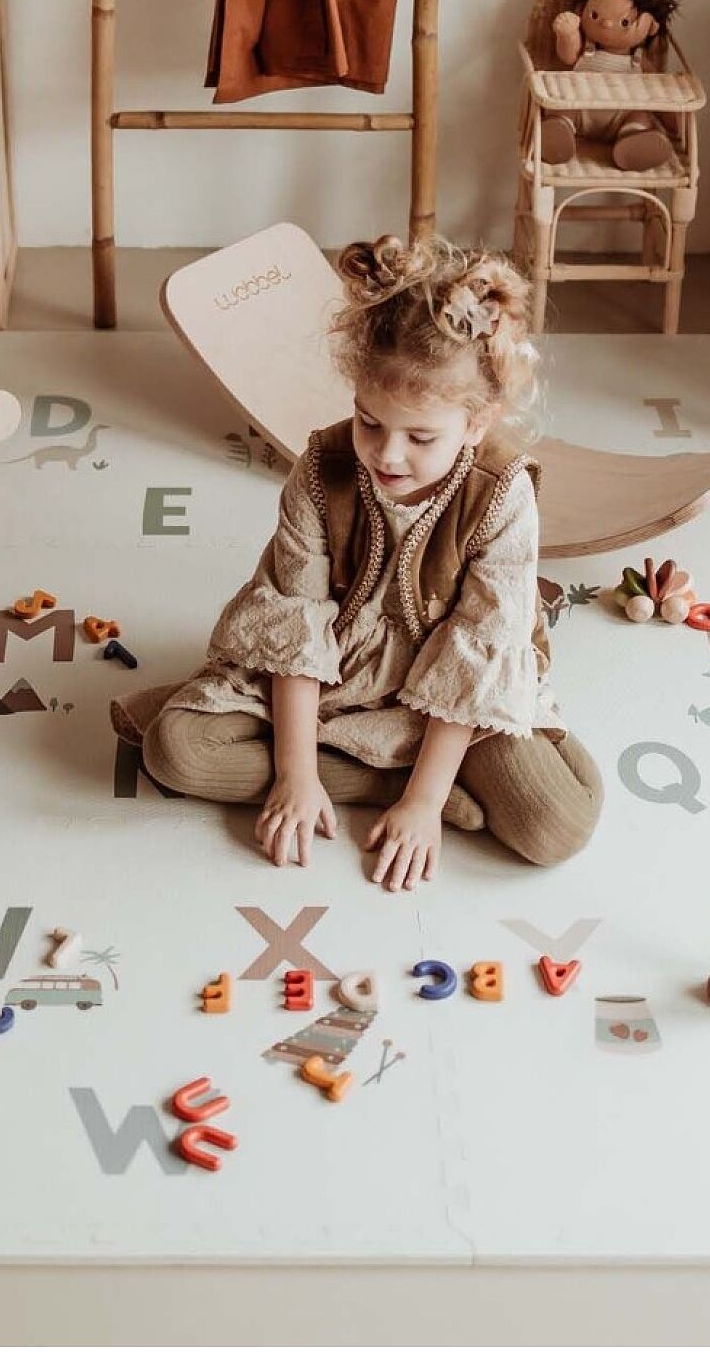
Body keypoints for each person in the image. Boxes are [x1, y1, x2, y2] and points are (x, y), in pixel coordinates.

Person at [114, 233, 602, 889]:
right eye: (369, 421)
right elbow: (294, 625)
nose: (387, 454)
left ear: (478, 422)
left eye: (420, 437)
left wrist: (425, 804)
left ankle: (415, 779)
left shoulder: (502, 495)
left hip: (448, 702)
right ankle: (375, 780)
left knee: (558, 824)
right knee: (175, 752)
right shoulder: (323, 469)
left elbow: (476, 650)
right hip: (329, 677)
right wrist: (295, 776)